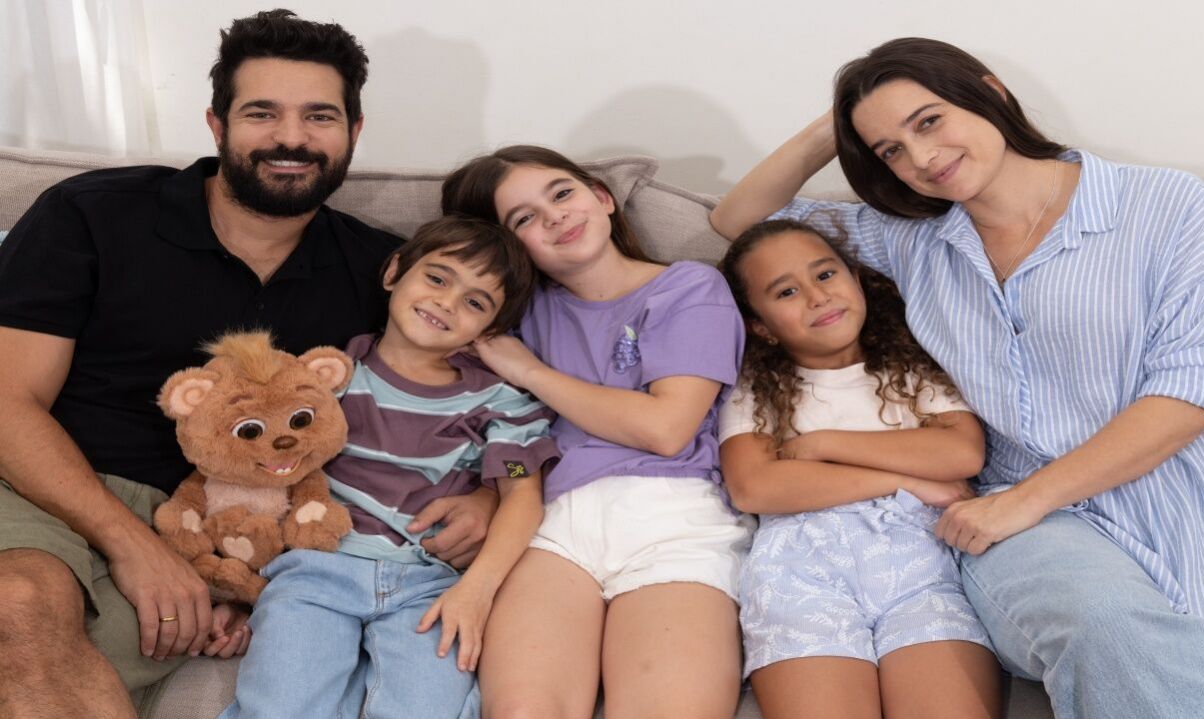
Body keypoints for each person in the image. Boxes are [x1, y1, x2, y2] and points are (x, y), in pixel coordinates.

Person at [710, 36, 1204, 718]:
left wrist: (1030, 498)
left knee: (1201, 654)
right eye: (890, 150)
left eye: (928, 121)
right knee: (1103, 623)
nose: (921, 158)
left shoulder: (1164, 203)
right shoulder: (909, 238)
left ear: (988, 91)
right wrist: (843, 122)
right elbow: (738, 220)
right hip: (1024, 527)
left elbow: (1199, 384)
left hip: (1194, 496)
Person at [0, 11, 492, 718]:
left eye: (319, 116)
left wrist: (489, 496)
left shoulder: (386, 275)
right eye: (262, 112)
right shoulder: (92, 215)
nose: (291, 138)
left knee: (48, 668)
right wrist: (132, 544)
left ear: (354, 131)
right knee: (20, 601)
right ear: (216, 124)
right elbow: (8, 400)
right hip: (46, 486)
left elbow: (471, 403)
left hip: (223, 527)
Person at [442, 145, 754, 718]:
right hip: (551, 522)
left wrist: (532, 372)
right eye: (525, 218)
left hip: (674, 522)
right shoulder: (515, 315)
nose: (555, 216)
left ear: (603, 198)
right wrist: (491, 494)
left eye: (562, 193)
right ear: (514, 248)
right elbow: (496, 434)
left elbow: (666, 428)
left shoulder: (689, 287)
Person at [220, 216, 558, 719]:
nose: (447, 302)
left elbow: (520, 491)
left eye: (475, 302)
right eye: (437, 278)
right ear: (394, 272)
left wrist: (477, 591)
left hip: (429, 586)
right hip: (316, 571)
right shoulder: (324, 378)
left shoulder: (498, 404)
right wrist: (235, 584)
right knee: (281, 706)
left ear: (490, 330)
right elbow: (259, 473)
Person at [717, 218, 1000, 719]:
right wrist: (907, 479)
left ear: (855, 276)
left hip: (922, 567)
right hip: (800, 571)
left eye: (825, 274)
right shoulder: (752, 389)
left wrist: (823, 445)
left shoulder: (910, 367)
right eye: (786, 292)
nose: (817, 297)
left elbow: (961, 453)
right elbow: (755, 486)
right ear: (760, 326)